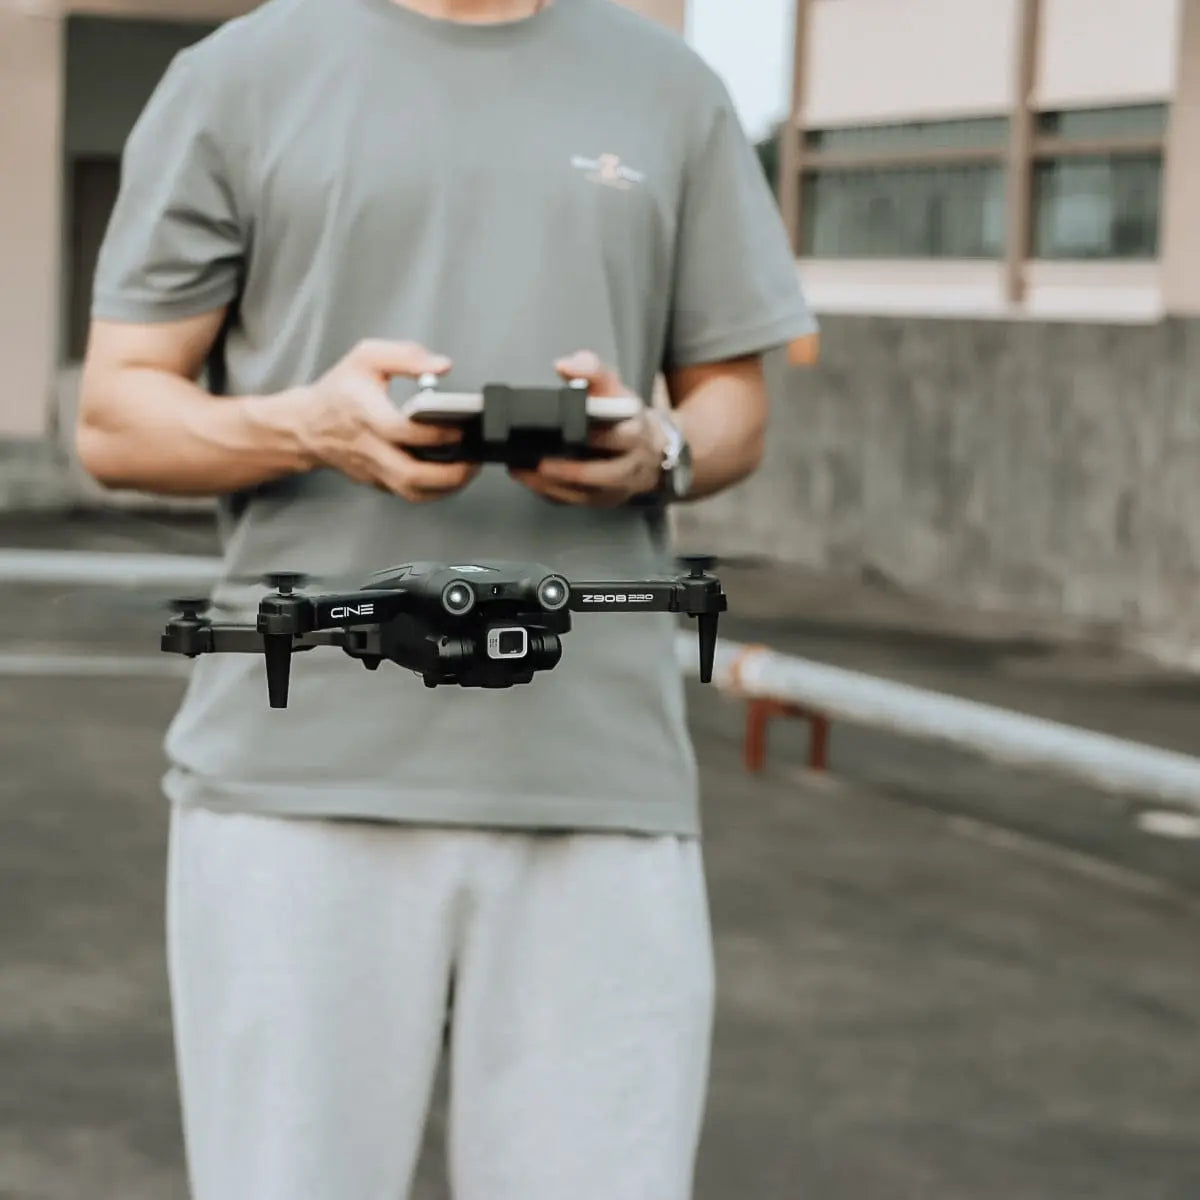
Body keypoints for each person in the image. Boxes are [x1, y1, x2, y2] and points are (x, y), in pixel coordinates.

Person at [76, 0, 816, 1196]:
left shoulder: (668, 89)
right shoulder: (239, 76)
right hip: (296, 774)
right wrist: (305, 422)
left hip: (599, 775)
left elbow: (734, 403)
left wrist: (659, 449)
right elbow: (116, 416)